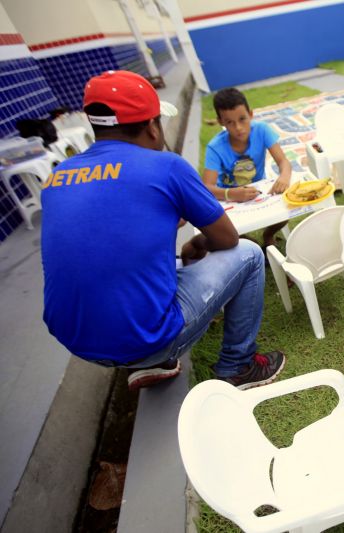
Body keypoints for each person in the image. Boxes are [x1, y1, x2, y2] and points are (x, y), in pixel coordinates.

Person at [40, 70, 285, 392]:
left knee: (143, 264)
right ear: (153, 126)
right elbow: (227, 239)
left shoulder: (56, 178)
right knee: (250, 254)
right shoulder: (166, 166)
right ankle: (237, 365)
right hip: (147, 343)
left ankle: (157, 363)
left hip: (78, 344)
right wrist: (196, 237)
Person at [202, 87, 292, 247]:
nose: (238, 127)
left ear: (251, 114)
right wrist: (230, 194)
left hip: (259, 191)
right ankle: (251, 243)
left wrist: (284, 176)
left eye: (242, 119)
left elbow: (283, 161)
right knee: (228, 231)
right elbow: (206, 187)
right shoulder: (215, 147)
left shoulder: (262, 130)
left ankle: (268, 234)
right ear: (221, 122)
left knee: (286, 209)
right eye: (230, 122)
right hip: (228, 198)